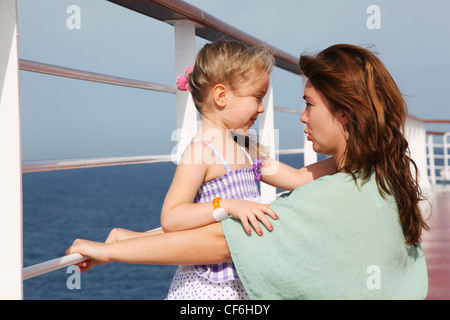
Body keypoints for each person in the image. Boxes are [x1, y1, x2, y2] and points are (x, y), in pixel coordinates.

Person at [66, 44, 429, 299]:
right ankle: (123, 238)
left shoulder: (248, 148)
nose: (261, 108)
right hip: (207, 287)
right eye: (257, 97)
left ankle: (123, 238)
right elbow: (174, 218)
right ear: (221, 96)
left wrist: (367, 151)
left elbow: (301, 179)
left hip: (239, 277)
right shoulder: (200, 150)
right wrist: (229, 205)